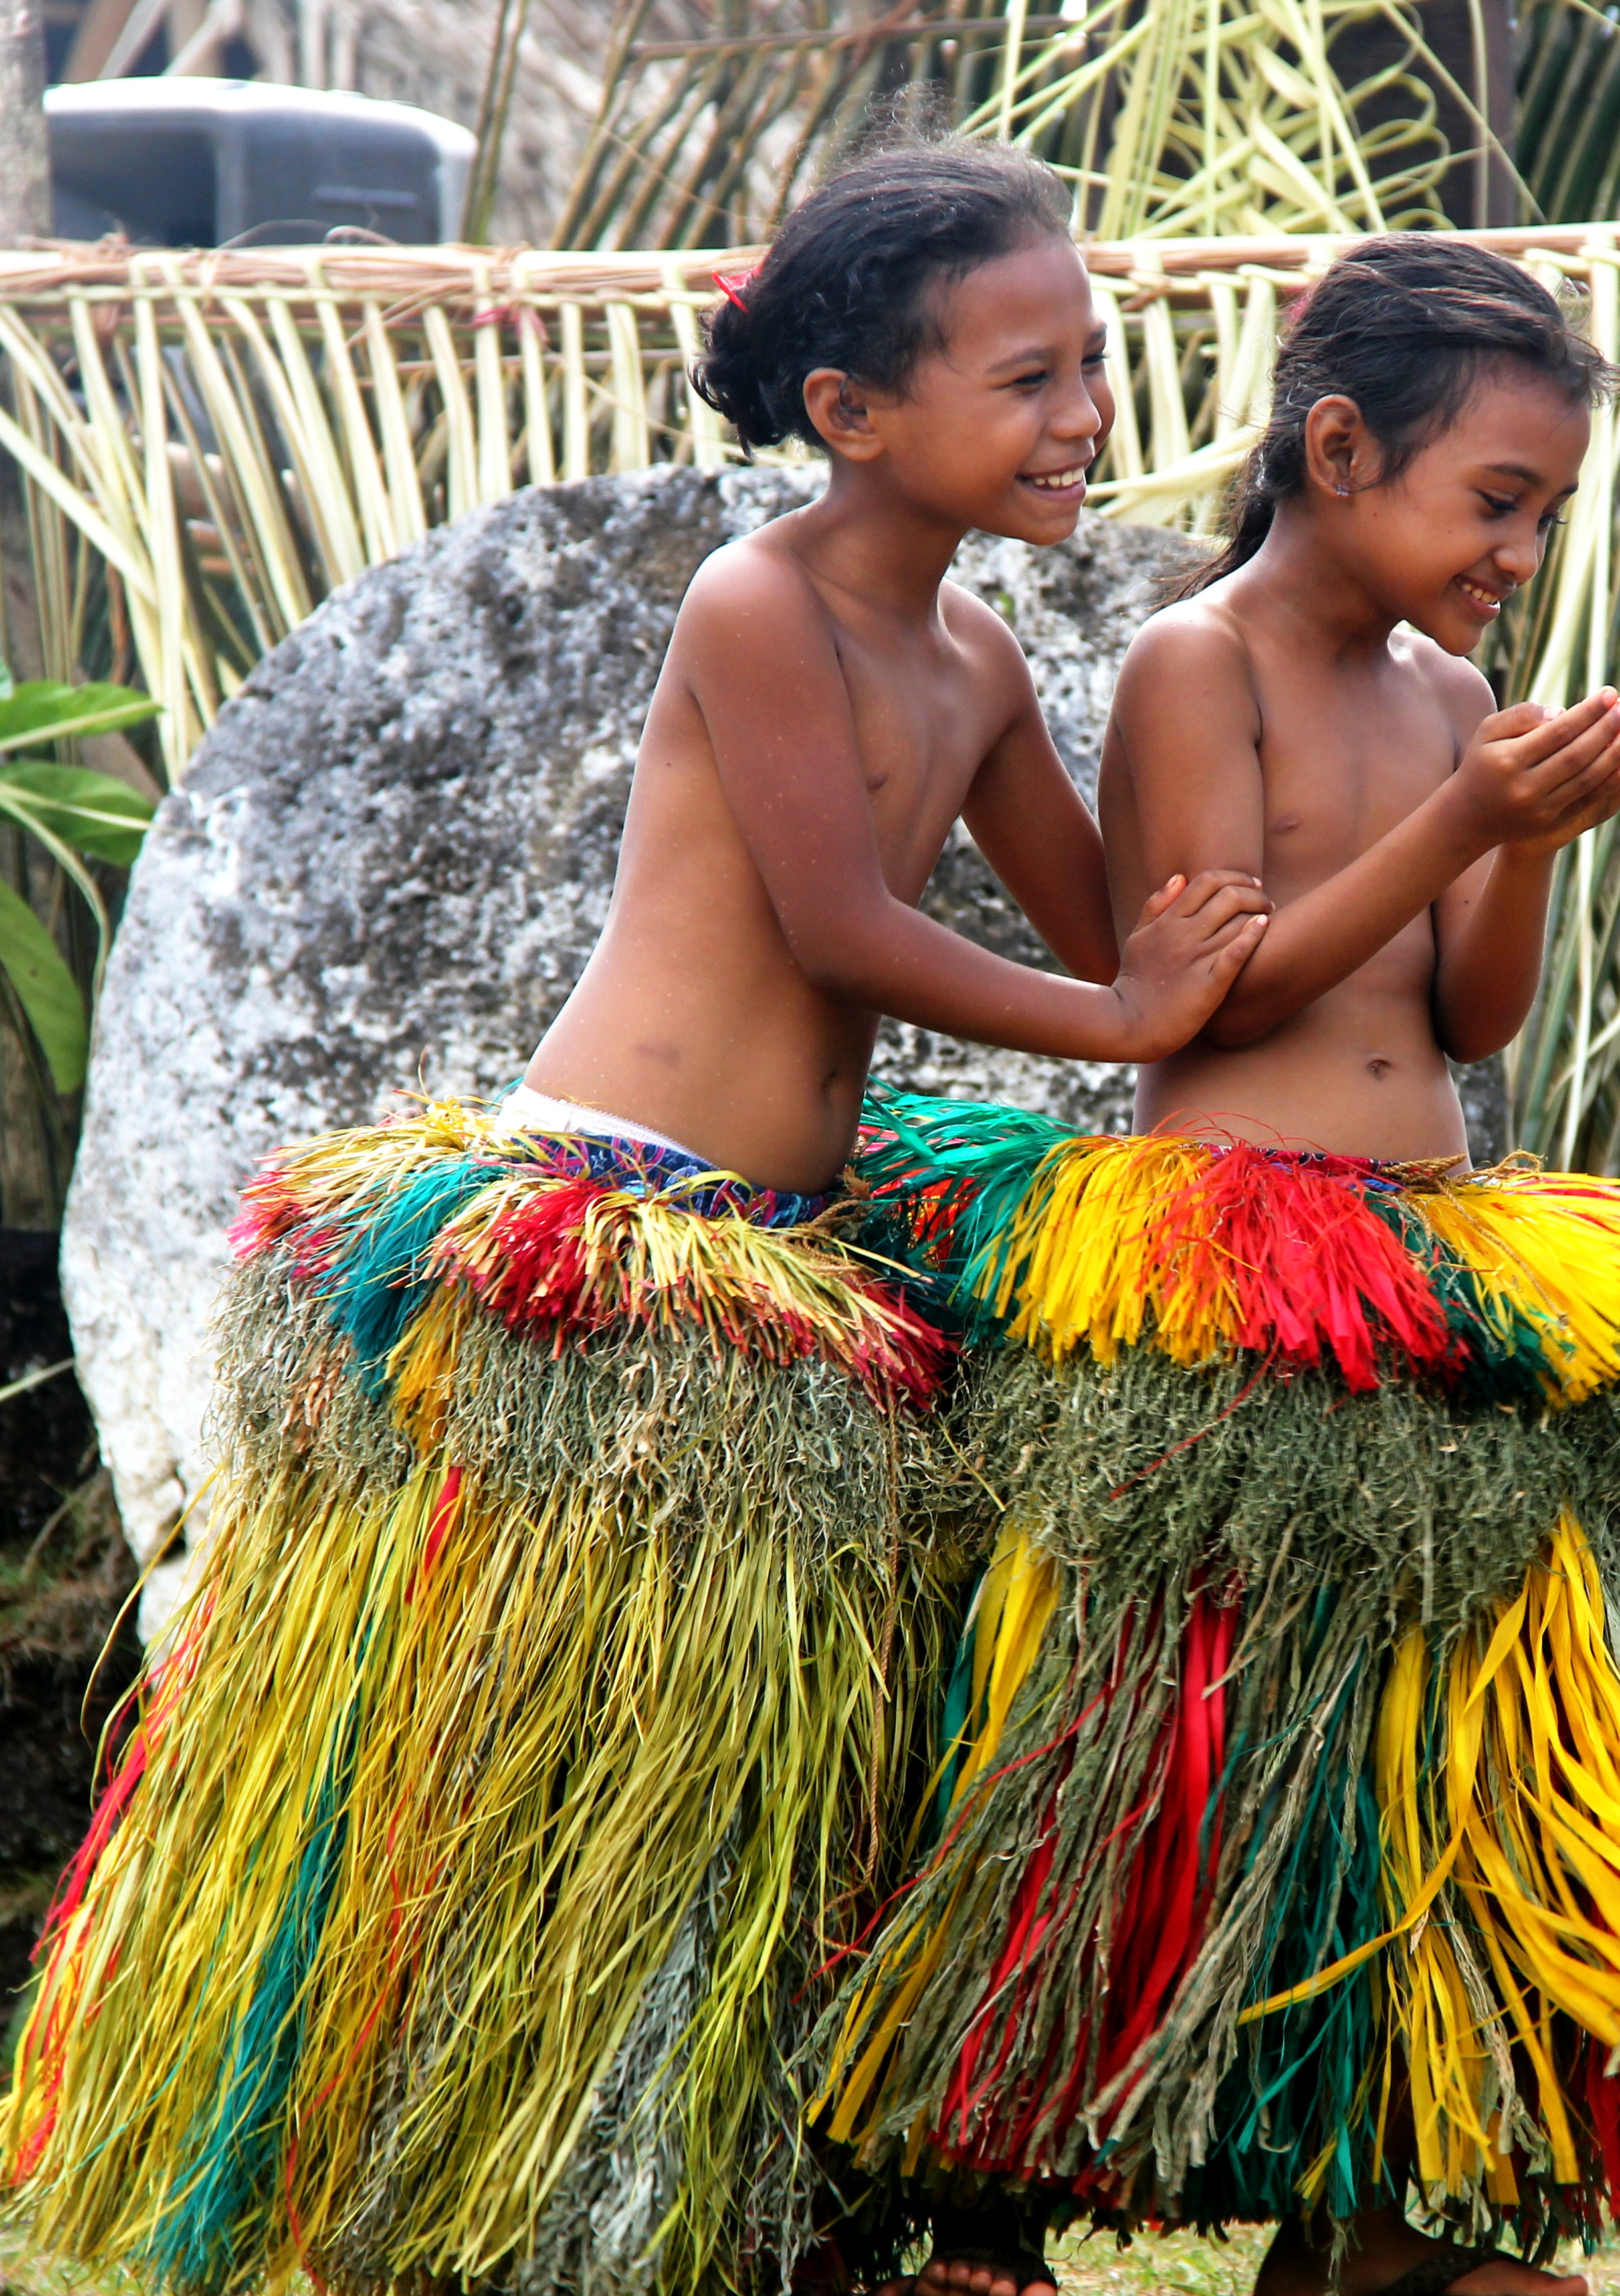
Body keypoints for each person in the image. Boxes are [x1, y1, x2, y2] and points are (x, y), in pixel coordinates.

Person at [0, 138, 1270, 2296]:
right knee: (529, 1756)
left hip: (778, 1265)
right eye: (1034, 374)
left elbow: (1109, 918)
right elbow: (842, 924)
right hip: (609, 1224)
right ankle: (478, 2186)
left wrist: (1317, 824)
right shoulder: (756, 604)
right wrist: (1116, 1002)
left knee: (731, 1768)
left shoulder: (967, 655)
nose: (1087, 416)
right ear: (853, 412)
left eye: (1097, 367)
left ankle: (716, 2196)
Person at [815, 237, 1620, 2296]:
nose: (1520, 550)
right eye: (1496, 501)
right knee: (1152, 1733)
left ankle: (1366, 2219)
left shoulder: (1453, 699)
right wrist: (1455, 824)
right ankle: (994, 2192)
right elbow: (1216, 1004)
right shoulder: (1200, 660)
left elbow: (1478, 1016)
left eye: (1548, 516)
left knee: (1394, 1736)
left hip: (1421, 1252)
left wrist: (1520, 829)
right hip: (1227, 1269)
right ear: (1338, 446)